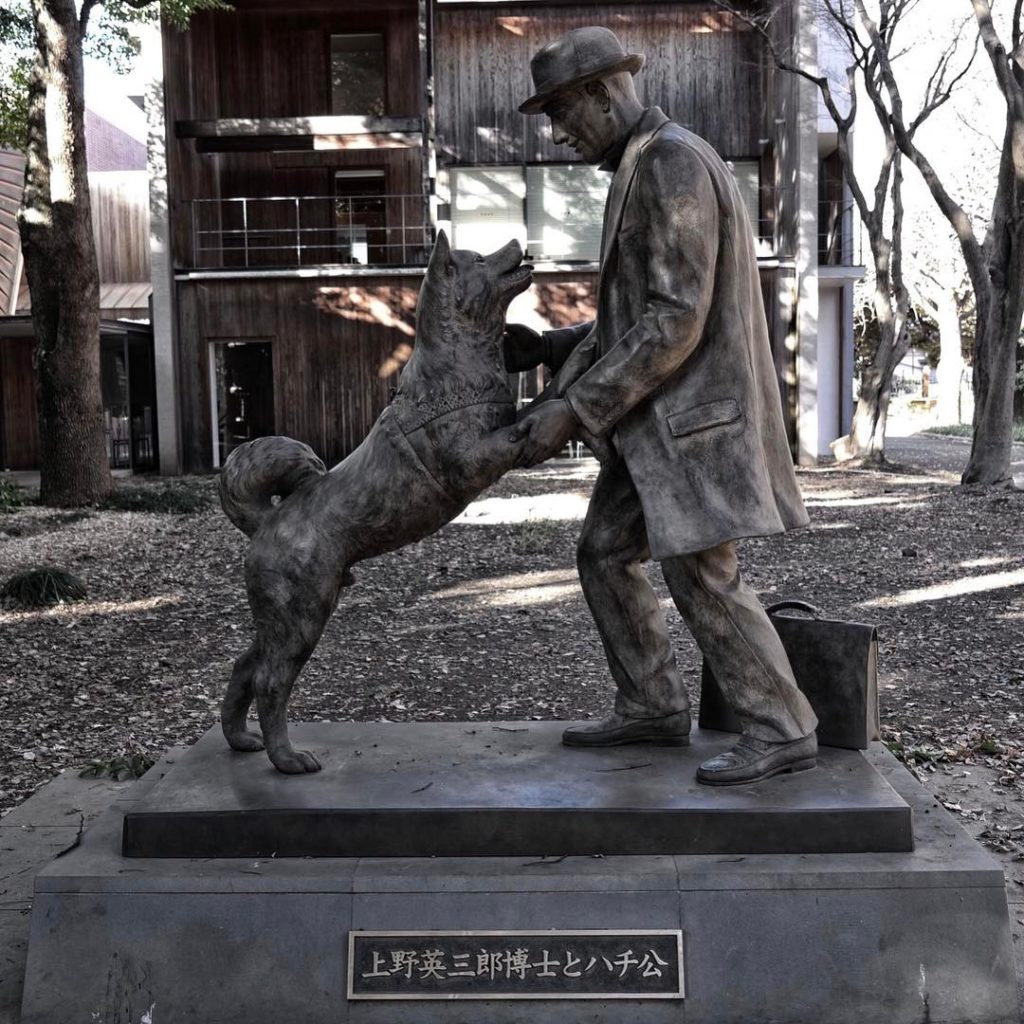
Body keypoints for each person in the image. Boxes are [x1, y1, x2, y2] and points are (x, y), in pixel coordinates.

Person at [504, 26, 818, 786]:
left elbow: (675, 322)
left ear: (602, 92)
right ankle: (651, 702)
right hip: (658, 430)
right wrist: (553, 349)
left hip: (693, 426)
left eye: (561, 112)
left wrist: (574, 408)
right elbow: (636, 312)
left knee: (703, 577)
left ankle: (783, 725)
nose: (557, 132)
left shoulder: (672, 161)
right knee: (604, 553)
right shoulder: (645, 163)